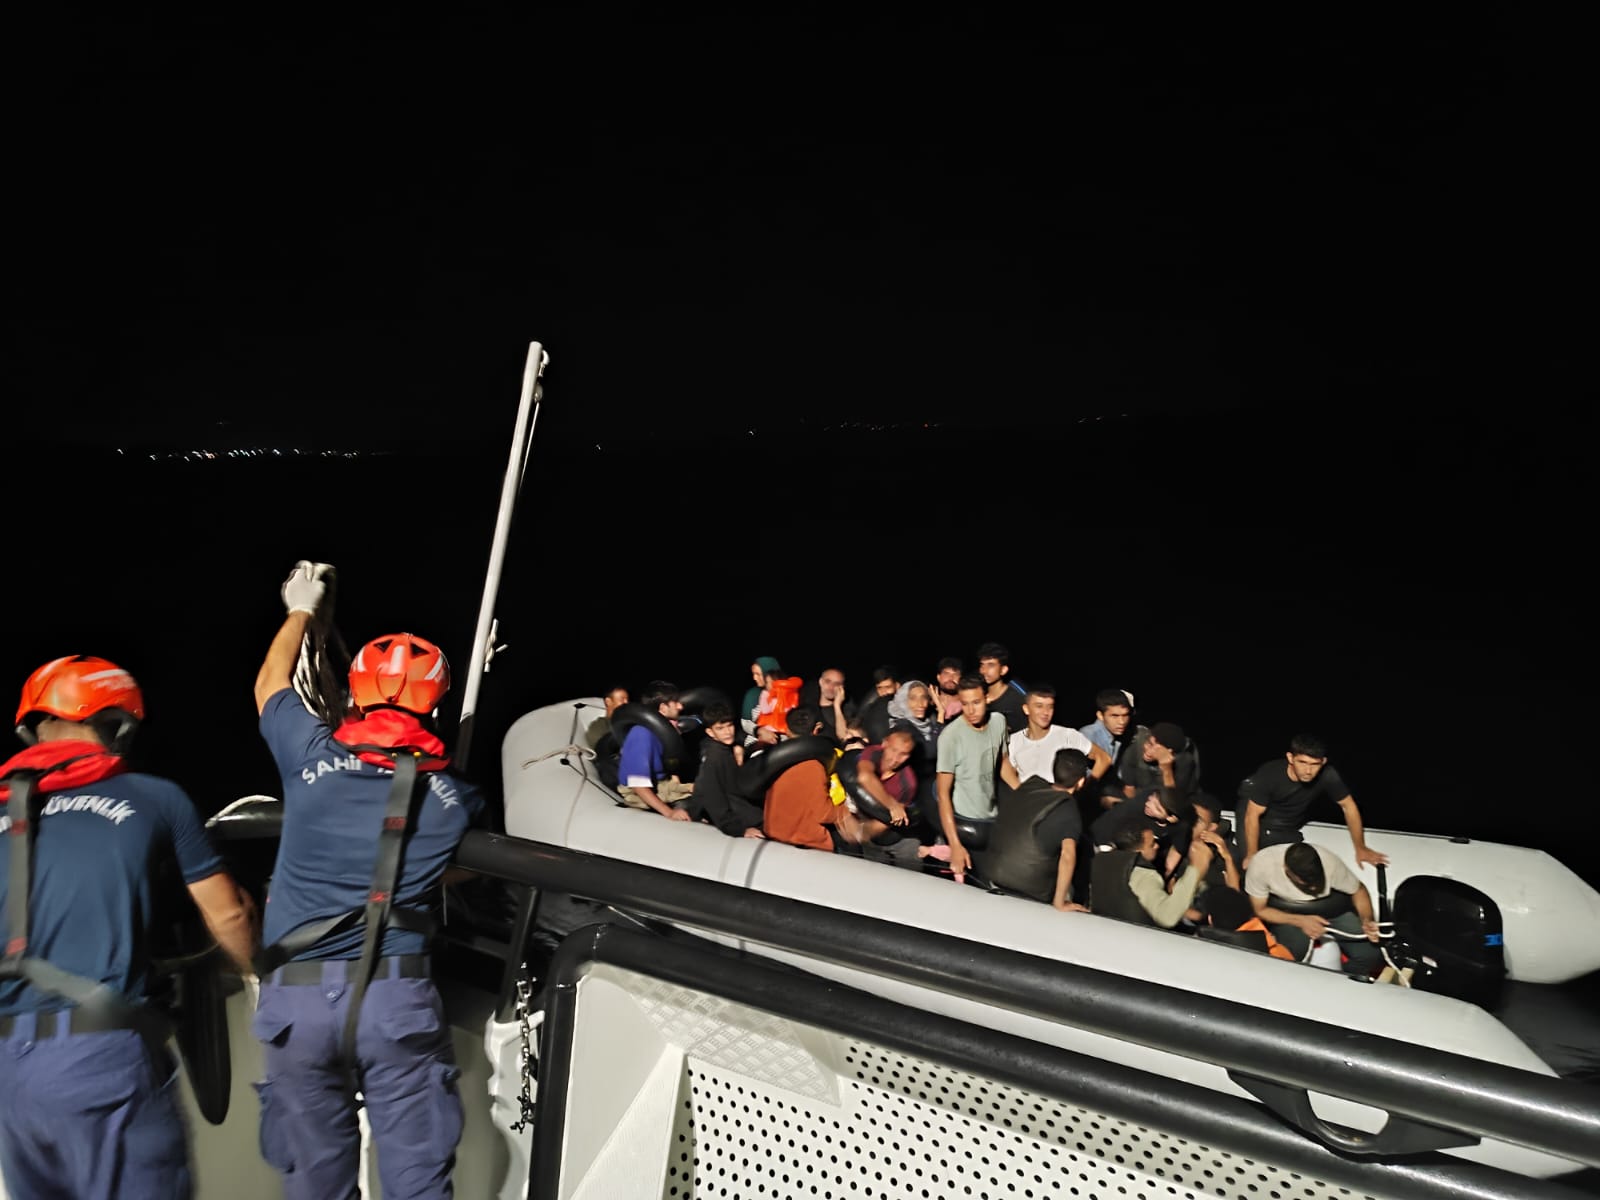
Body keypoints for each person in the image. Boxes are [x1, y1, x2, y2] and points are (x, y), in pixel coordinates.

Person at [251, 561, 485, 1199]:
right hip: (395, 1001)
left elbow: (271, 683)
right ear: (434, 703)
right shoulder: (457, 796)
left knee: (316, 1186)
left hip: (295, 1004)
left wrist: (302, 610)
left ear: (353, 693)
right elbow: (457, 867)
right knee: (418, 1184)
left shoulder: (309, 755)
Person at [1, 655, 256, 1199]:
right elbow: (228, 915)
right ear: (115, 724)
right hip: (98, 1059)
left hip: (9, 1075)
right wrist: (258, 974)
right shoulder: (154, 797)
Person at [1237, 733, 1387, 869]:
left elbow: (1349, 806)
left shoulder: (1327, 775)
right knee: (1254, 868)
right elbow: (1252, 816)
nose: (1308, 771)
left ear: (1323, 762)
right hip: (1256, 819)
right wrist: (1251, 854)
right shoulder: (1269, 774)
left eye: (1314, 764)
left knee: (1299, 869)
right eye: (1302, 762)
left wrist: (1360, 847)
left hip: (1288, 826)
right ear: (1290, 758)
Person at [976, 748, 1094, 911]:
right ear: (1081, 781)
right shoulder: (1068, 809)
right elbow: (1068, 855)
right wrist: (1060, 902)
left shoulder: (1031, 786)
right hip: (1029, 890)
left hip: (992, 874)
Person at [1243, 842, 1383, 977]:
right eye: (1305, 883)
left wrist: (1367, 919)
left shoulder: (1329, 861)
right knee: (1292, 954)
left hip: (1329, 909)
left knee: (1370, 954)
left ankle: (1346, 982)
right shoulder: (1262, 865)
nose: (1313, 888)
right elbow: (1260, 909)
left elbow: (1359, 890)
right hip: (1288, 914)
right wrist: (1300, 921)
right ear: (1286, 869)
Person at [933, 674, 1021, 879]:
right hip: (964, 825)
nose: (971, 711)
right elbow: (942, 793)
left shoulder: (999, 722)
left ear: (987, 698)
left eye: (976, 702)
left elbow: (1002, 762)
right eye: (965, 704)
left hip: (992, 818)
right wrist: (955, 845)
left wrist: (1024, 794)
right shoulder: (950, 736)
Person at [616, 680, 695, 820]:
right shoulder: (641, 734)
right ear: (663, 708)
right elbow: (638, 786)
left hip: (662, 784)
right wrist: (669, 813)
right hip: (638, 793)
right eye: (675, 702)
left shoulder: (668, 731)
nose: (681, 706)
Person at [1007, 684, 1112, 785]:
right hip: (1028, 800)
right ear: (1026, 709)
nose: (1045, 712)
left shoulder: (1067, 735)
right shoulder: (1013, 741)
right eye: (1039, 706)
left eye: (1050, 707)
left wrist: (1086, 789)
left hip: (1059, 800)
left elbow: (1104, 758)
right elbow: (1009, 773)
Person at [687, 702, 765, 838]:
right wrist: (739, 830)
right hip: (736, 820)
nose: (728, 732)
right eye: (720, 728)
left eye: (730, 726)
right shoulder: (714, 759)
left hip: (742, 810)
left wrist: (739, 746)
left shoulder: (726, 747)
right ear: (710, 732)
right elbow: (713, 798)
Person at [1117, 720, 1200, 804]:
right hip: (1140, 798)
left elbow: (1174, 802)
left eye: (1156, 749)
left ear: (1169, 752)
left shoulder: (1184, 762)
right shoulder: (1136, 747)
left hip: (1167, 804)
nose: (1148, 751)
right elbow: (1129, 788)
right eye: (1149, 743)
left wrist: (1167, 769)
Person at [975, 642, 1028, 733]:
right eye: (982, 664)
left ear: (1003, 670)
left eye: (991, 665)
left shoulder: (1018, 698)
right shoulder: (975, 694)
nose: (984, 670)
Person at [582, 684, 630, 753]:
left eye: (627, 699)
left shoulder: (630, 721)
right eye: (622, 699)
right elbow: (601, 750)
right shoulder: (599, 725)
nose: (626, 702)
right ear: (608, 702)